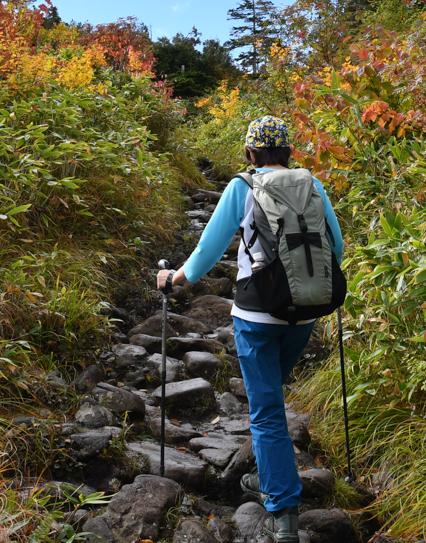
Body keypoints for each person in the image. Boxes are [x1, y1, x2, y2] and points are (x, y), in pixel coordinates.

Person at [157, 115, 343, 543]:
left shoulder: (243, 185)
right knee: (270, 402)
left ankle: (282, 515)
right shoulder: (313, 186)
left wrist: (175, 278)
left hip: (257, 316)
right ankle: (271, 475)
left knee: (266, 413)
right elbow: (336, 246)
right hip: (305, 312)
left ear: (250, 153)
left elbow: (209, 249)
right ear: (289, 153)